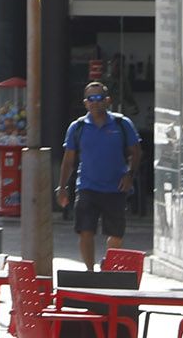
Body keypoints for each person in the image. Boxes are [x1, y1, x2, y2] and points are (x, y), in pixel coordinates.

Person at [56, 83, 140, 266]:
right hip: (87, 187)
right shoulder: (77, 128)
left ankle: (107, 266)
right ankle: (90, 272)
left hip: (115, 188)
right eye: (91, 99)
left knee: (116, 235)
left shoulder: (122, 124)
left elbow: (136, 152)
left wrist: (129, 175)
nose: (95, 103)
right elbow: (68, 161)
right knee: (85, 231)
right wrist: (62, 187)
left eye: (99, 98)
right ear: (85, 103)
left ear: (107, 101)